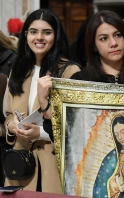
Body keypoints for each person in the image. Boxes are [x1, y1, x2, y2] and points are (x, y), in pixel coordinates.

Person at [4, 9, 80, 193]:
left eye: (47, 32)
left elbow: (76, 127)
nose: (39, 37)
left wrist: (41, 133)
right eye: (33, 32)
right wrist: (12, 127)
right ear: (25, 35)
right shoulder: (19, 70)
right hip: (20, 166)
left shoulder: (70, 72)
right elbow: (7, 114)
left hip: (53, 166)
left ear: (56, 36)